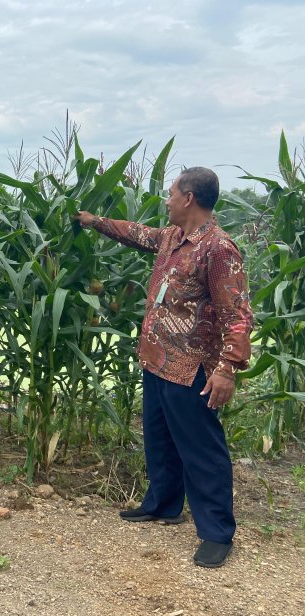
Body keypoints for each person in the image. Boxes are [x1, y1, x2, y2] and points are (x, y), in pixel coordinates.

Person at [76, 166, 253, 568]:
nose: (166, 199)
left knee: (200, 448)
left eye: (171, 193)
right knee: (160, 438)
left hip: (190, 368)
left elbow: (239, 315)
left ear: (189, 198)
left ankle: (216, 532)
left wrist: (227, 369)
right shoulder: (173, 237)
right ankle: (163, 504)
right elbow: (138, 234)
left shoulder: (218, 249)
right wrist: (95, 222)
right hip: (156, 358)